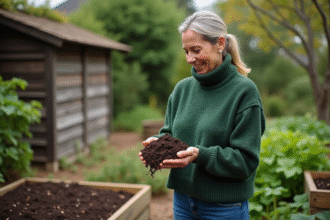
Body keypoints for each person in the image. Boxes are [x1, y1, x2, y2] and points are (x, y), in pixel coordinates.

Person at [139, 10, 265, 220]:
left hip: (224, 208)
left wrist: (201, 155)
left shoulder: (244, 92)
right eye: (186, 51)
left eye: (196, 50)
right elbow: (169, 133)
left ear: (220, 43)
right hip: (183, 203)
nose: (190, 59)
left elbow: (246, 161)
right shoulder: (182, 89)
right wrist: (158, 143)